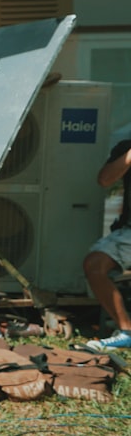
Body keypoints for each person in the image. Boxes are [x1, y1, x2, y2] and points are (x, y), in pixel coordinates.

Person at [84, 137, 131, 351]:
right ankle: (127, 332)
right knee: (94, 264)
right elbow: (104, 180)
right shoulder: (125, 147)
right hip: (128, 231)